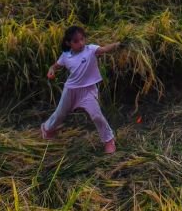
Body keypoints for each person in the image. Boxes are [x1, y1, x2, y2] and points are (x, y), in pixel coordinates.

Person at [40, 26, 123, 154]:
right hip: (71, 90)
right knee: (60, 113)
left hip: (88, 90)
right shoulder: (66, 56)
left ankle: (108, 140)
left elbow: (105, 49)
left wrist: (118, 44)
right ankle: (47, 128)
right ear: (69, 43)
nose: (81, 43)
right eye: (76, 41)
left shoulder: (91, 50)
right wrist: (51, 70)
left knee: (96, 115)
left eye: (82, 39)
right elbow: (55, 66)